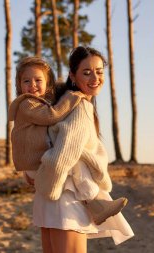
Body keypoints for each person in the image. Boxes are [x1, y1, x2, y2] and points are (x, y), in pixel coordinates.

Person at [33, 47, 134, 253]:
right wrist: (49, 188)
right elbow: (62, 156)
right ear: (73, 75)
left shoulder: (63, 104)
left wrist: (41, 185)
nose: (95, 77)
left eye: (99, 71)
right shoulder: (80, 107)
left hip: (53, 200)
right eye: (86, 72)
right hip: (66, 200)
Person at [8, 56, 128, 226]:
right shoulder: (27, 104)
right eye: (26, 81)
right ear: (19, 85)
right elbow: (52, 115)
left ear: (48, 84)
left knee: (76, 163)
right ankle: (94, 201)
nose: (32, 85)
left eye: (38, 80)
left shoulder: (40, 103)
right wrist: (72, 97)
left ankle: (94, 204)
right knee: (76, 161)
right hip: (36, 165)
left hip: (37, 163)